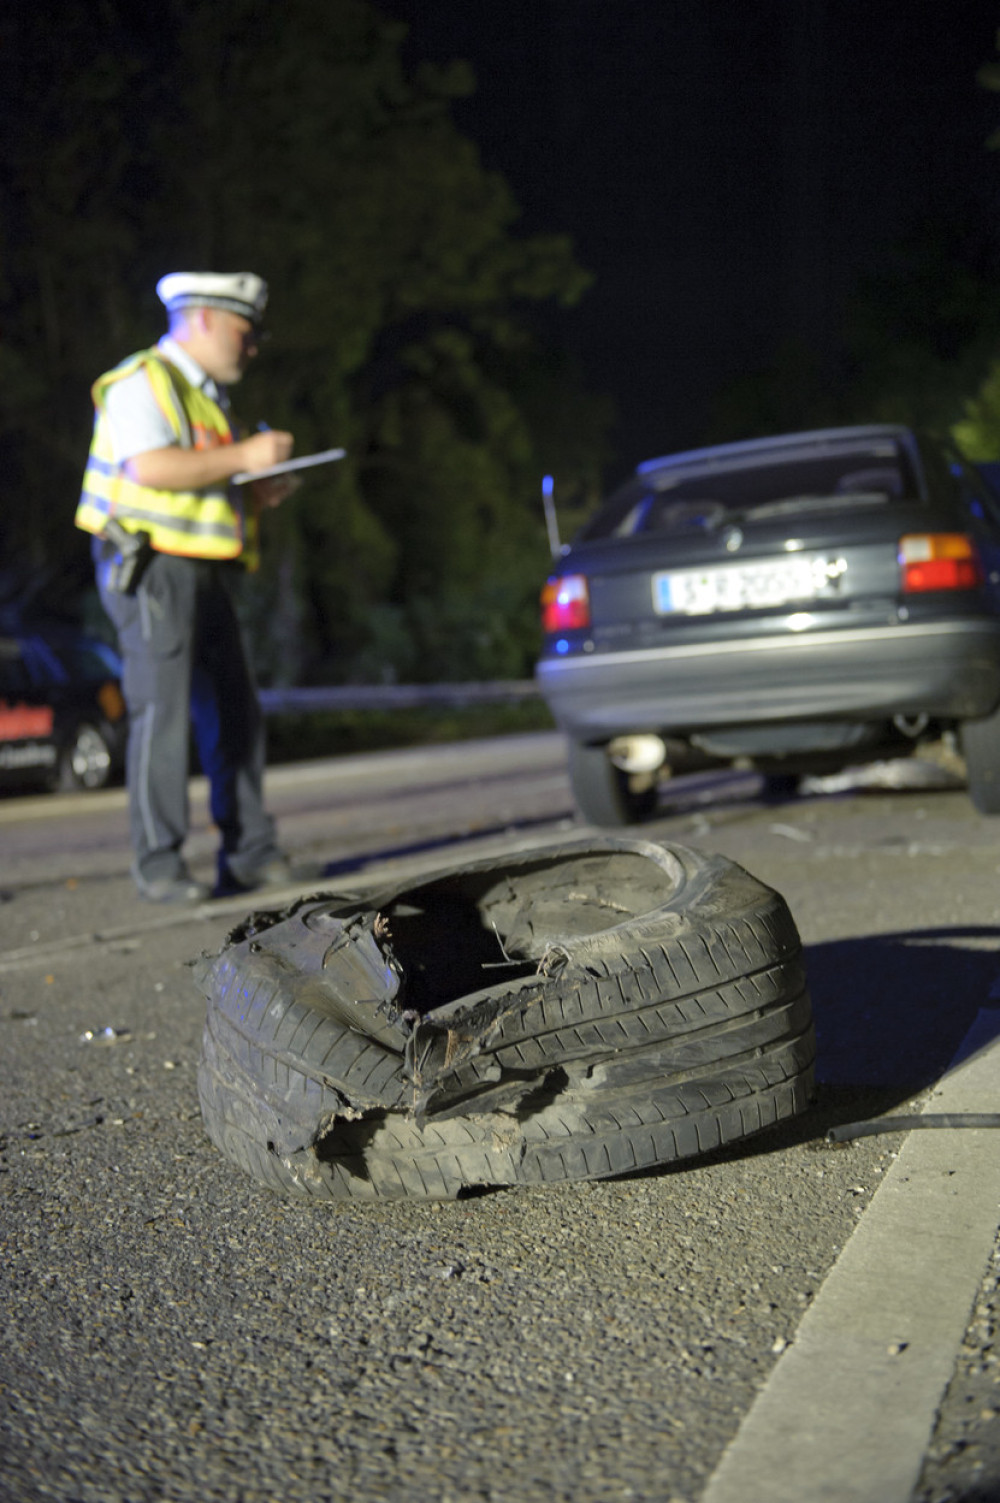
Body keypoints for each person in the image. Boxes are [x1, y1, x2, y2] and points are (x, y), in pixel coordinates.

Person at [76, 271, 296, 903]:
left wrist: (258, 488)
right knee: (163, 713)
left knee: (235, 713)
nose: (250, 346)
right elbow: (149, 467)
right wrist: (246, 458)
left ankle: (250, 853)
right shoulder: (141, 380)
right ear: (201, 319)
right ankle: (160, 864)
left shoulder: (205, 399)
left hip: (203, 569)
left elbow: (203, 480)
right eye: (242, 331)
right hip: (151, 570)